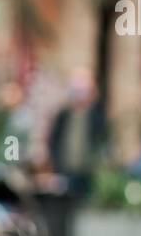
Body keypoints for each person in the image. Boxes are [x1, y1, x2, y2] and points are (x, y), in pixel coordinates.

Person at [46, 66, 109, 198]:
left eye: (83, 89)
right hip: (64, 169)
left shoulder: (96, 115)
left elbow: (102, 140)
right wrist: (55, 161)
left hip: (87, 172)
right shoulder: (64, 114)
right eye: (77, 88)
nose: (79, 93)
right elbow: (53, 139)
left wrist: (96, 163)